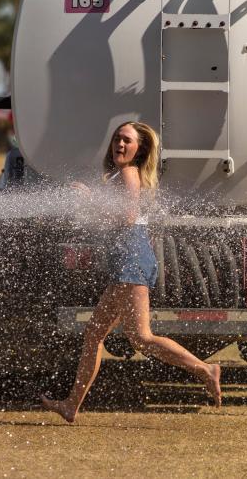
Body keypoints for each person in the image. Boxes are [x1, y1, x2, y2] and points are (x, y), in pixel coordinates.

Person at [41, 121, 221, 424]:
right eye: (116, 139)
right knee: (94, 335)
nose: (119, 145)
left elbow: (127, 216)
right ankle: (72, 405)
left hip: (131, 260)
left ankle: (206, 369)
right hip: (125, 260)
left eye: (127, 140)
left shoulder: (128, 173)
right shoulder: (117, 175)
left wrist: (89, 200)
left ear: (140, 149)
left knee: (141, 338)